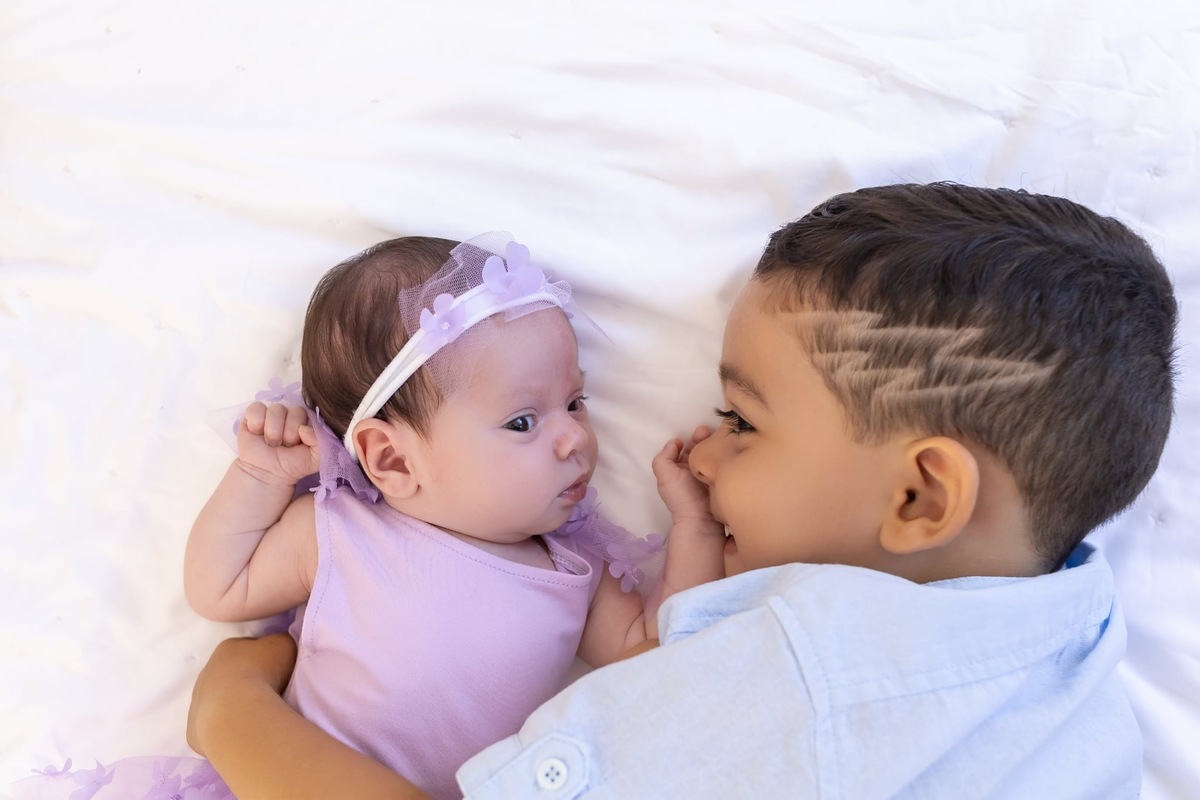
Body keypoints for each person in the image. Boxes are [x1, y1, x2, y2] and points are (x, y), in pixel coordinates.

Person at [186, 183, 1177, 799]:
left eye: (742, 422)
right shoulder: (1078, 658)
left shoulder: (795, 672)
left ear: (921, 497)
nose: (699, 458)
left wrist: (230, 713)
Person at [13, 233, 717, 800]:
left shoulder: (572, 574)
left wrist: (691, 524)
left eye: (576, 403)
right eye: (524, 421)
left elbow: (662, 653)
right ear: (392, 461)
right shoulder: (340, 533)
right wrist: (259, 476)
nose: (574, 438)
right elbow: (217, 589)